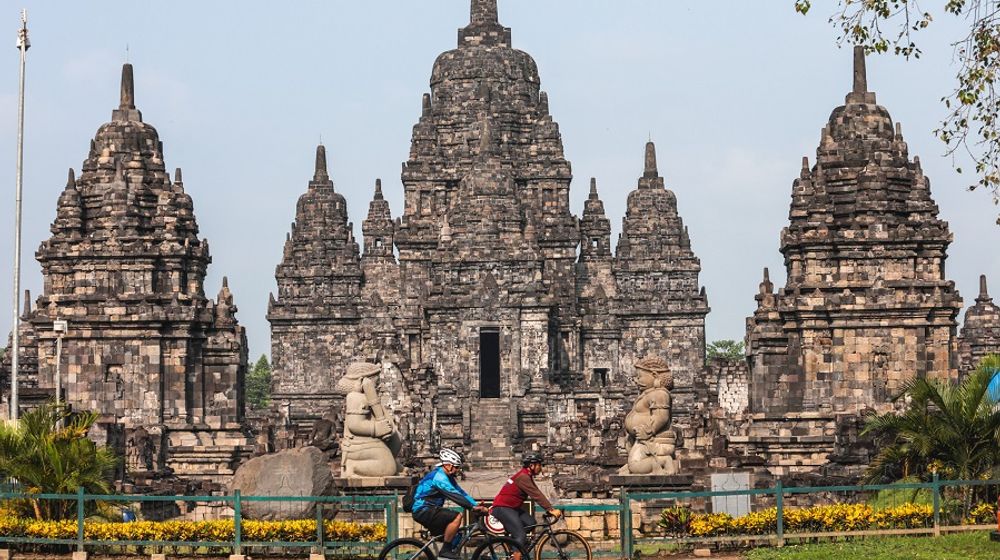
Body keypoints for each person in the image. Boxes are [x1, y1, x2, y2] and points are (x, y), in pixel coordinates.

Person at [411, 448, 487, 559]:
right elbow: (454, 495)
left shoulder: (447, 477)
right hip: (423, 510)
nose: (458, 470)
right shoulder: (439, 477)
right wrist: (472, 508)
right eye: (456, 467)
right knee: (457, 516)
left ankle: (445, 554)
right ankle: (445, 551)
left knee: (456, 537)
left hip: (430, 510)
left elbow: (460, 492)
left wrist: (475, 505)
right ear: (448, 465)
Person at [491, 452, 562, 558]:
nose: (540, 468)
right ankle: (516, 552)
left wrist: (548, 508)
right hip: (502, 507)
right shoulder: (523, 477)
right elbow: (536, 494)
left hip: (512, 508)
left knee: (531, 523)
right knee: (521, 535)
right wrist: (550, 509)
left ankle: (513, 545)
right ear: (531, 465)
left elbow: (536, 492)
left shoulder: (526, 476)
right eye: (539, 465)